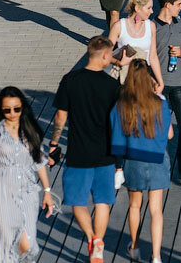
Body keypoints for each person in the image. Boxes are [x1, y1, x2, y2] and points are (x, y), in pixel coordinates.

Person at [47, 36, 120, 263]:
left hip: (78, 152)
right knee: (102, 202)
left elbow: (61, 116)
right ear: (105, 55)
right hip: (106, 153)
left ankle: (91, 238)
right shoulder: (112, 86)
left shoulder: (70, 80)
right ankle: (98, 241)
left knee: (77, 201)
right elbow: (119, 119)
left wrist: (53, 144)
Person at [110, 58, 174, 262]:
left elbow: (117, 140)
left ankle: (135, 246)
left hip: (133, 161)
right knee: (156, 210)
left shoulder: (122, 105)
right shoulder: (160, 103)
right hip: (157, 160)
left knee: (135, 206)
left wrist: (118, 168)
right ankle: (156, 256)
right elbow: (170, 135)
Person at [0, 87, 54, 263]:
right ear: (1, 110)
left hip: (27, 191)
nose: (12, 113)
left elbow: (39, 162)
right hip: (1, 189)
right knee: (6, 239)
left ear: (23, 107)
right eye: (7, 110)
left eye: (16, 108)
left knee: (27, 242)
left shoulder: (31, 131)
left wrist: (47, 191)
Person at [151, 0, 181, 177]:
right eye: (179, 4)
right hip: (158, 85)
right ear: (167, 5)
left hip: (179, 83)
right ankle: (160, 161)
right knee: (159, 128)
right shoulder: (152, 27)